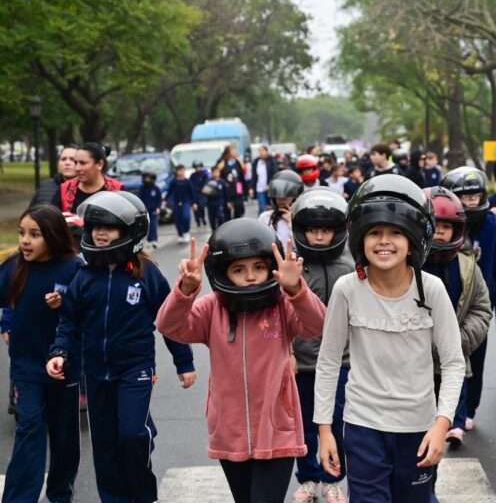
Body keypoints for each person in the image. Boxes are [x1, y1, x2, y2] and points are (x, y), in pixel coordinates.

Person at [314, 174, 465, 503]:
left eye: (396, 232)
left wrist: (442, 424)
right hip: (363, 426)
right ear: (360, 238)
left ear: (413, 239)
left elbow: (454, 363)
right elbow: (327, 362)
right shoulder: (347, 289)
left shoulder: (432, 289)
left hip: (418, 427)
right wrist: (324, 430)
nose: (385, 241)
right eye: (375, 233)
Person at [156, 219, 326, 503]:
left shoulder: (282, 305)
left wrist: (297, 290)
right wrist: (185, 290)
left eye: (259, 268)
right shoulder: (213, 307)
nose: (250, 277)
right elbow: (169, 325)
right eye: (239, 269)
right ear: (223, 273)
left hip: (277, 430)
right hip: (230, 432)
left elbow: (317, 324)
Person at [46, 191, 197, 503]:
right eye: (96, 227)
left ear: (131, 231)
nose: (101, 233)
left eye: (110, 227)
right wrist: (59, 353)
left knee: (131, 435)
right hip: (96, 372)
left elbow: (170, 321)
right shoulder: (84, 276)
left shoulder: (147, 275)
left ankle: (142, 494)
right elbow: (69, 322)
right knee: (104, 443)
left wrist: (184, 363)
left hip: (136, 369)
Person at [0, 205, 83, 503]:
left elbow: (89, 313)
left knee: (64, 438)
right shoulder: (12, 267)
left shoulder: (75, 268)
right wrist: (4, 324)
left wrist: (65, 303)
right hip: (26, 367)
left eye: (34, 235)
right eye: (22, 233)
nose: (25, 241)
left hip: (65, 367)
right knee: (30, 427)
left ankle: (60, 494)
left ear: (53, 236)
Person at [290, 189, 354, 503]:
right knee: (303, 425)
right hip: (302, 363)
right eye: (312, 230)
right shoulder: (293, 266)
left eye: (325, 230)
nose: (318, 236)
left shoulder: (352, 263)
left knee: (338, 422)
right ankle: (308, 477)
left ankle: (332, 479)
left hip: (342, 362)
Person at [441, 167, 496, 429]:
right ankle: (451, 414)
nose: (470, 201)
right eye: (464, 196)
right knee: (449, 361)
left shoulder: (489, 222)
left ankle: (469, 409)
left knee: (476, 359)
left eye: (475, 196)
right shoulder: (443, 225)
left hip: (478, 307)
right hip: (448, 301)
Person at [421, 186, 491, 447]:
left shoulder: (467, 265)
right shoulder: (406, 264)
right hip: (414, 362)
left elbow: (482, 308)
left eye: (446, 226)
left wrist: (458, 340)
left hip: (455, 351)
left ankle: (456, 423)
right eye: (434, 225)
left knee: (455, 389)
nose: (439, 231)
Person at [52, 143, 123, 212]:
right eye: (76, 163)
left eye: (82, 163)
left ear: (99, 164)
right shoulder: (64, 190)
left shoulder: (117, 190)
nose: (77, 168)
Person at [259, 170, 303, 248]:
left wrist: (291, 224)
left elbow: (302, 247)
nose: (281, 200)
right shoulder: (265, 217)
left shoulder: (301, 219)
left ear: (296, 197)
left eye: (286, 197)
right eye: (278, 197)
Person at [166, 165, 194, 244]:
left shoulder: (187, 181)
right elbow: (169, 192)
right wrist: (165, 200)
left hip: (186, 202)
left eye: (182, 170)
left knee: (186, 217)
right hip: (176, 203)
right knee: (178, 219)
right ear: (177, 171)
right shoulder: (174, 181)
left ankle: (186, 232)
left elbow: (192, 192)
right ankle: (180, 234)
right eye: (179, 170)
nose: (181, 172)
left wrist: (194, 203)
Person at [221, 145, 247, 220]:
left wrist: (240, 160)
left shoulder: (238, 161)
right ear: (228, 152)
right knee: (227, 209)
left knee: (239, 207)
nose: (235, 152)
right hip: (227, 188)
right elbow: (217, 172)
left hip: (238, 187)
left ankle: (237, 221)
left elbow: (244, 172)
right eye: (232, 151)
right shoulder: (223, 161)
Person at [139, 171, 162, 249]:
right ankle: (149, 240)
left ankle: (154, 240)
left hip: (154, 210)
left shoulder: (156, 188)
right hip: (145, 210)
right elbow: (140, 199)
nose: (147, 180)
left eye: (148, 178)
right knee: (147, 225)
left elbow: (159, 199)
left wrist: (158, 208)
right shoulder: (142, 188)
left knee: (153, 225)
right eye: (145, 178)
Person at [252, 145, 278, 213]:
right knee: (262, 208)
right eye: (259, 151)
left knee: (270, 208)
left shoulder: (272, 161)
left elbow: (275, 174)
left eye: (262, 151)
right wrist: (251, 188)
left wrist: (271, 184)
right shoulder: (256, 162)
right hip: (259, 188)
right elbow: (254, 176)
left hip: (269, 188)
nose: (261, 153)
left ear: (267, 151)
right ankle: (260, 222)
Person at [202, 165, 227, 232]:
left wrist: (227, 202)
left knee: (220, 217)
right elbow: (204, 191)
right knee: (212, 219)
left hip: (220, 203)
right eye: (214, 172)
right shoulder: (209, 181)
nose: (216, 173)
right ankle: (213, 231)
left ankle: (221, 231)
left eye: (217, 172)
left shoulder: (222, 181)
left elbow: (226, 193)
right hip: (211, 203)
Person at [190, 161, 210, 228]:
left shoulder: (204, 174)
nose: (198, 168)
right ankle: (197, 220)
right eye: (196, 167)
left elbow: (206, 182)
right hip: (195, 193)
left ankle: (203, 218)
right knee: (195, 208)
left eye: (199, 167)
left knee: (201, 206)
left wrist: (203, 188)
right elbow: (191, 184)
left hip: (202, 193)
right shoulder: (193, 176)